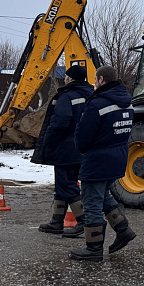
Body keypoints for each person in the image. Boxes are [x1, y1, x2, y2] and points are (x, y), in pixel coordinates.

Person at [70, 65, 136, 262]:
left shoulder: (97, 104)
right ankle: (123, 230)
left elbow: (83, 135)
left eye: (95, 79)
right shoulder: (127, 102)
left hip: (97, 160)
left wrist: (81, 149)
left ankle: (94, 248)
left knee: (91, 202)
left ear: (101, 80)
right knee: (103, 195)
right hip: (118, 157)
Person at [32, 64, 94, 238]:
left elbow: (59, 122)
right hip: (82, 148)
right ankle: (56, 221)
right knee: (63, 185)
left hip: (65, 149)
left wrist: (48, 144)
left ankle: (83, 221)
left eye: (66, 76)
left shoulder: (66, 96)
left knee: (66, 185)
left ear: (70, 79)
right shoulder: (91, 95)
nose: (64, 79)